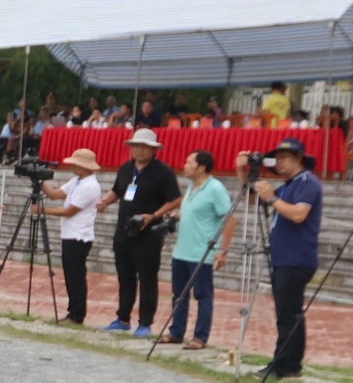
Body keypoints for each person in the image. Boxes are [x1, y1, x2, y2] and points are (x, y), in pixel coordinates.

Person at [98, 128, 179, 337]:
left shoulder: (163, 172)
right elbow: (117, 190)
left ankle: (145, 322)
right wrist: (105, 201)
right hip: (124, 231)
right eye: (136, 146)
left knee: (147, 279)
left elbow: (175, 200)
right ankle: (123, 318)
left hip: (149, 235)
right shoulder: (126, 168)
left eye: (144, 147)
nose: (139, 150)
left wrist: (153, 215)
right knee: (125, 277)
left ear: (153, 150)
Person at [254, 138, 322, 381]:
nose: (279, 162)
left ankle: (283, 364)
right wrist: (246, 173)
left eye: (285, 157)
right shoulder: (287, 185)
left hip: (296, 257)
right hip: (284, 257)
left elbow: (298, 214)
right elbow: (257, 200)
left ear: (298, 158)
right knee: (288, 313)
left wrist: (272, 198)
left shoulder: (308, 183)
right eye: (278, 158)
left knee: (288, 315)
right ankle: (291, 364)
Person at [162, 150, 232, 349]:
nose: (184, 165)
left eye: (189, 162)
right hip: (181, 251)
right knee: (179, 294)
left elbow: (229, 219)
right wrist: (176, 216)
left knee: (203, 295)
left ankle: (200, 337)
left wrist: (223, 250)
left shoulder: (216, 189)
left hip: (202, 253)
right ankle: (176, 332)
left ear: (201, 167)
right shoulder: (192, 185)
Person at [34, 148, 102, 324]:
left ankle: (77, 314)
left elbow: (70, 211)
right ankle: (74, 312)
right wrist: (38, 180)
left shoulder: (90, 186)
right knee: (71, 275)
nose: (73, 167)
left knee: (76, 276)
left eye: (76, 164)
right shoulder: (77, 181)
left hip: (79, 237)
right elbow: (56, 194)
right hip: (71, 235)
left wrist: (43, 211)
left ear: (85, 166)